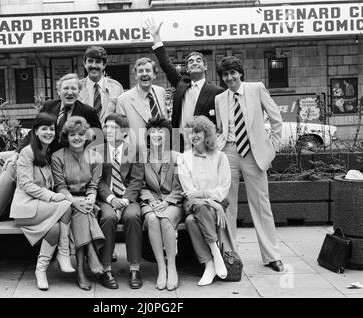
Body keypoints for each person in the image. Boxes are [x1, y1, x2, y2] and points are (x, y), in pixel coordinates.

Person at [0, 73, 102, 224]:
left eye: (74, 88)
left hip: (57, 158)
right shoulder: (50, 106)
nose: (70, 92)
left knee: (12, 167)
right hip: (39, 150)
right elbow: (33, 132)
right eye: (66, 88)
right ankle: (0, 209)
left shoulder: (87, 111)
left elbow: (99, 137)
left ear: (79, 91)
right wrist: (17, 152)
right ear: (59, 91)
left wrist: (83, 153)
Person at [215, 56, 284, 272]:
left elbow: (276, 120)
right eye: (225, 75)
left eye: (233, 73)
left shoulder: (256, 89)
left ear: (240, 73)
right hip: (229, 152)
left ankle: (272, 255)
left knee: (261, 205)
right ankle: (230, 255)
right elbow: (220, 127)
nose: (229, 78)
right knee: (228, 206)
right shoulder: (220, 99)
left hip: (255, 154)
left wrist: (272, 148)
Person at [9, 112, 72, 291]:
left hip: (41, 209)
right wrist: (52, 196)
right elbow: (26, 184)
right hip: (25, 208)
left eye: (51, 129)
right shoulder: (27, 152)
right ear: (35, 131)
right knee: (66, 206)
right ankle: (64, 253)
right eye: (44, 129)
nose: (48, 132)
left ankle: (41, 271)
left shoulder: (48, 153)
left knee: (55, 229)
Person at [145, 18, 224, 149]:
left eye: (198, 60)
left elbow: (221, 125)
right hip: (180, 143)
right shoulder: (181, 84)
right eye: (190, 61)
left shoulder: (217, 91)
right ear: (187, 69)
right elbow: (166, 63)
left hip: (204, 146)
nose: (194, 62)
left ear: (205, 66)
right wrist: (156, 36)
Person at [51, 116, 105, 291]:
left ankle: (81, 270)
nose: (77, 137)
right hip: (66, 201)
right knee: (81, 213)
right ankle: (90, 258)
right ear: (66, 136)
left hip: (88, 202)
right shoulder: (58, 156)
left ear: (86, 136)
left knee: (84, 211)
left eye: (81, 134)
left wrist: (90, 198)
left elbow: (94, 185)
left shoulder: (95, 157)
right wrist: (75, 202)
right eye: (72, 134)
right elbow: (60, 186)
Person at [177, 115, 231, 286]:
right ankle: (215, 251)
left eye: (198, 131)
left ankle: (209, 265)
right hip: (193, 204)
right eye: (190, 133)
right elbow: (188, 190)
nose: (194, 136)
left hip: (210, 206)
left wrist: (210, 200)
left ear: (207, 133)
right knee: (197, 206)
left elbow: (223, 187)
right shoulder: (183, 158)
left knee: (191, 221)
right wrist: (211, 201)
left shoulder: (220, 157)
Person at [95, 113, 145, 290]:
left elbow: (137, 180)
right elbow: (98, 180)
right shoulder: (97, 150)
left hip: (127, 197)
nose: (109, 130)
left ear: (124, 132)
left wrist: (125, 199)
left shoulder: (134, 150)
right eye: (107, 127)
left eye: (114, 128)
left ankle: (134, 268)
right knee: (108, 218)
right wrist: (111, 198)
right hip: (107, 198)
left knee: (132, 217)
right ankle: (106, 269)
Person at [140, 117, 183, 291]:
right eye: (153, 131)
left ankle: (171, 266)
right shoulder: (142, 158)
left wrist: (166, 201)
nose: (157, 134)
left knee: (165, 220)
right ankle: (161, 268)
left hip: (173, 201)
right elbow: (139, 185)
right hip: (150, 201)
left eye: (161, 131)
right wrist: (151, 200)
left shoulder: (176, 157)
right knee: (151, 219)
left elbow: (180, 187)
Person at [116, 57, 168, 156]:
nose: (144, 74)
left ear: (154, 75)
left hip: (162, 151)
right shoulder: (123, 99)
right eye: (140, 71)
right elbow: (121, 132)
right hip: (138, 155)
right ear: (136, 76)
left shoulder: (161, 92)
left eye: (148, 70)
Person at [79, 46, 124, 124]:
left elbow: (121, 118)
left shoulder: (117, 88)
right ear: (84, 63)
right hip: (84, 135)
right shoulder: (76, 88)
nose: (93, 65)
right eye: (90, 61)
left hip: (110, 135)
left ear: (104, 64)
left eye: (98, 62)